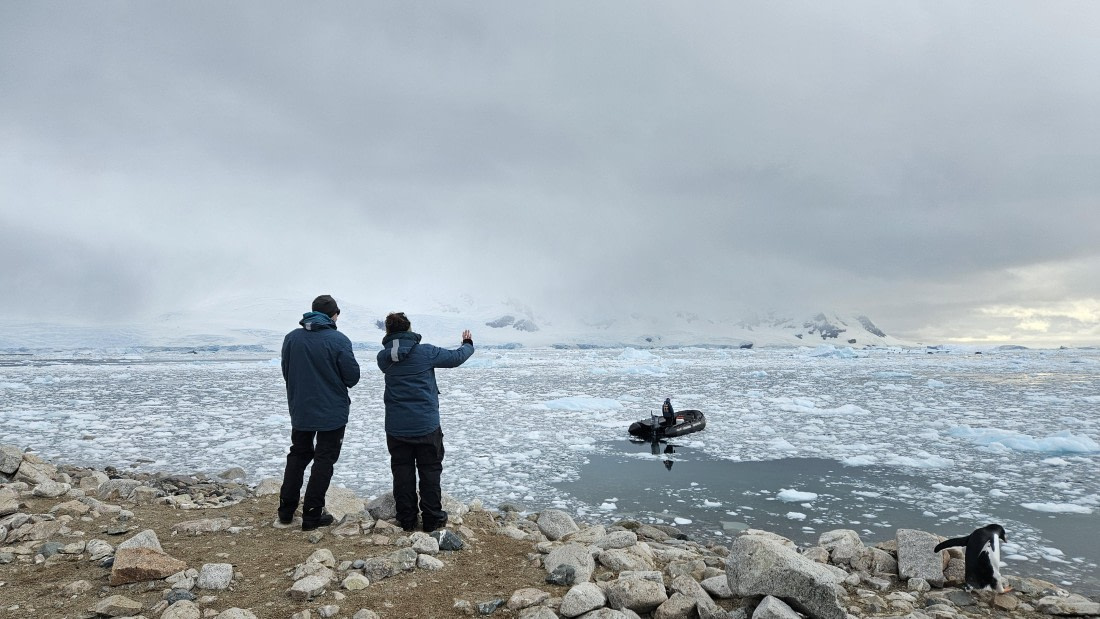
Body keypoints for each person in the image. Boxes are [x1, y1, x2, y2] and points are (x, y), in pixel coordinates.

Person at [377, 312, 474, 532]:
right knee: (430, 470)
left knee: (402, 470)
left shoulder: (383, 358)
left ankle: (407, 519)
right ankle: (432, 519)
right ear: (409, 328)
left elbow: (397, 355)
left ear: (388, 331)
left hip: (396, 427)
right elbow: (456, 357)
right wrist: (467, 344)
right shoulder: (426, 352)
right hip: (426, 425)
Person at [278, 295, 361, 531]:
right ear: (333, 315)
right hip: (331, 412)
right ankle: (312, 514)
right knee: (324, 460)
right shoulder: (338, 340)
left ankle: (285, 512)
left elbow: (287, 371)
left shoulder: (292, 339)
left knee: (298, 455)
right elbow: (352, 378)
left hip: (301, 409)